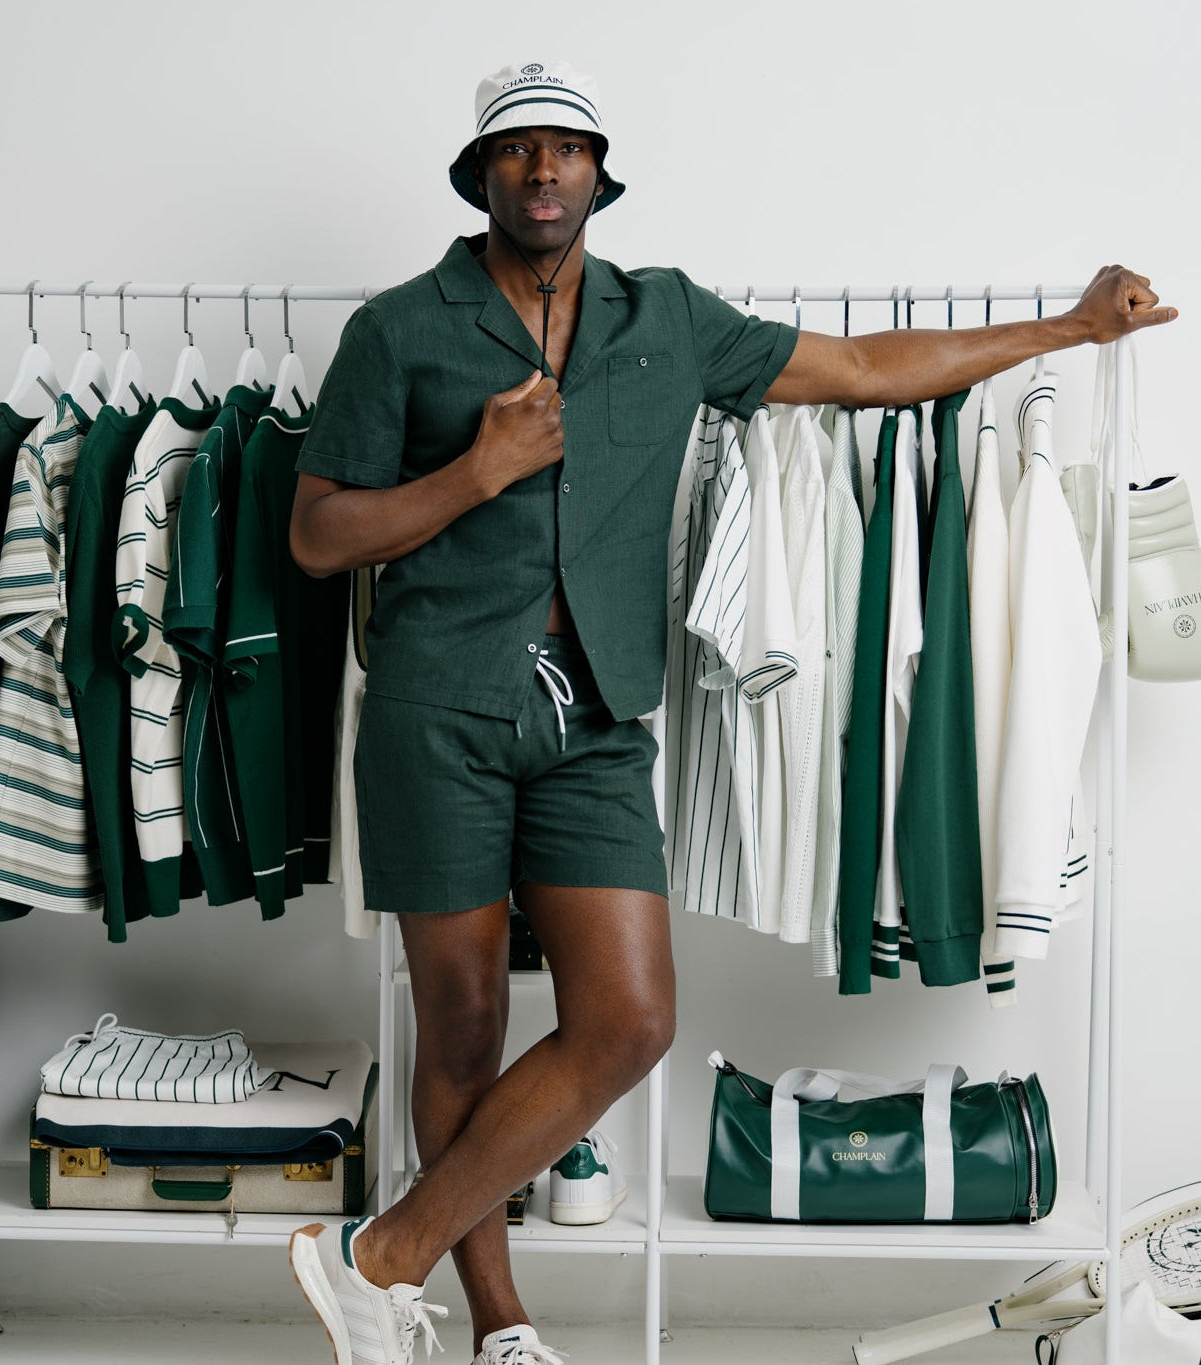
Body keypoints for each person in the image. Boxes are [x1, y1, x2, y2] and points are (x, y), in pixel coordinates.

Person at [286, 59, 1175, 1365]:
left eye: (566, 148)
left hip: (595, 714)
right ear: (481, 176)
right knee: (463, 1022)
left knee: (630, 1018)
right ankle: (494, 1324)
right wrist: (476, 470)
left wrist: (1068, 329)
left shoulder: (667, 321)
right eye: (518, 149)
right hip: (439, 711)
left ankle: (379, 1256)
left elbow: (871, 369)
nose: (543, 170)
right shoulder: (398, 330)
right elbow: (317, 534)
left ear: (600, 172)